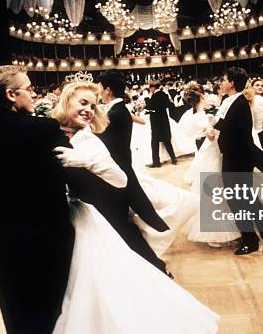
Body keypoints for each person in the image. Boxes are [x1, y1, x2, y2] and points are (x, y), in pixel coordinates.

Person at [51, 80, 219, 334]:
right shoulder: (50, 130)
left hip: (90, 214)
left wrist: (83, 160)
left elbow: (120, 179)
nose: (88, 110)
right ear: (67, 102)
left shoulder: (90, 141)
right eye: (82, 103)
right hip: (61, 217)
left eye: (93, 106)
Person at [0, 66, 75, 333]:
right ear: (11, 95)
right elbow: (72, 174)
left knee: (14, 311)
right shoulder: (43, 128)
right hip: (43, 236)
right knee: (48, 310)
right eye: (28, 90)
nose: (33, 95)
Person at [212, 68, 263, 256]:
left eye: (224, 79)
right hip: (235, 157)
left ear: (232, 83)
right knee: (244, 199)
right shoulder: (233, 101)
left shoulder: (240, 103)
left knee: (240, 200)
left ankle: (253, 240)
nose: (222, 83)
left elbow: (236, 131)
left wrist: (214, 123)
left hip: (238, 159)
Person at [93, 71, 170, 272]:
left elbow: (105, 144)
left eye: (100, 87)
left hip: (117, 176)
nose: (99, 91)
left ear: (107, 89)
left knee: (124, 225)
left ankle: (155, 266)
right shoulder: (116, 109)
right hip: (118, 173)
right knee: (123, 224)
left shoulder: (116, 112)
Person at [145, 80, 177, 168]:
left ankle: (156, 162)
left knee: (154, 143)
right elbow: (169, 105)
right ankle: (173, 158)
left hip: (156, 122)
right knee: (167, 141)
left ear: (153, 87)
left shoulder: (154, 96)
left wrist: (148, 99)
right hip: (164, 120)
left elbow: (149, 107)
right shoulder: (164, 94)